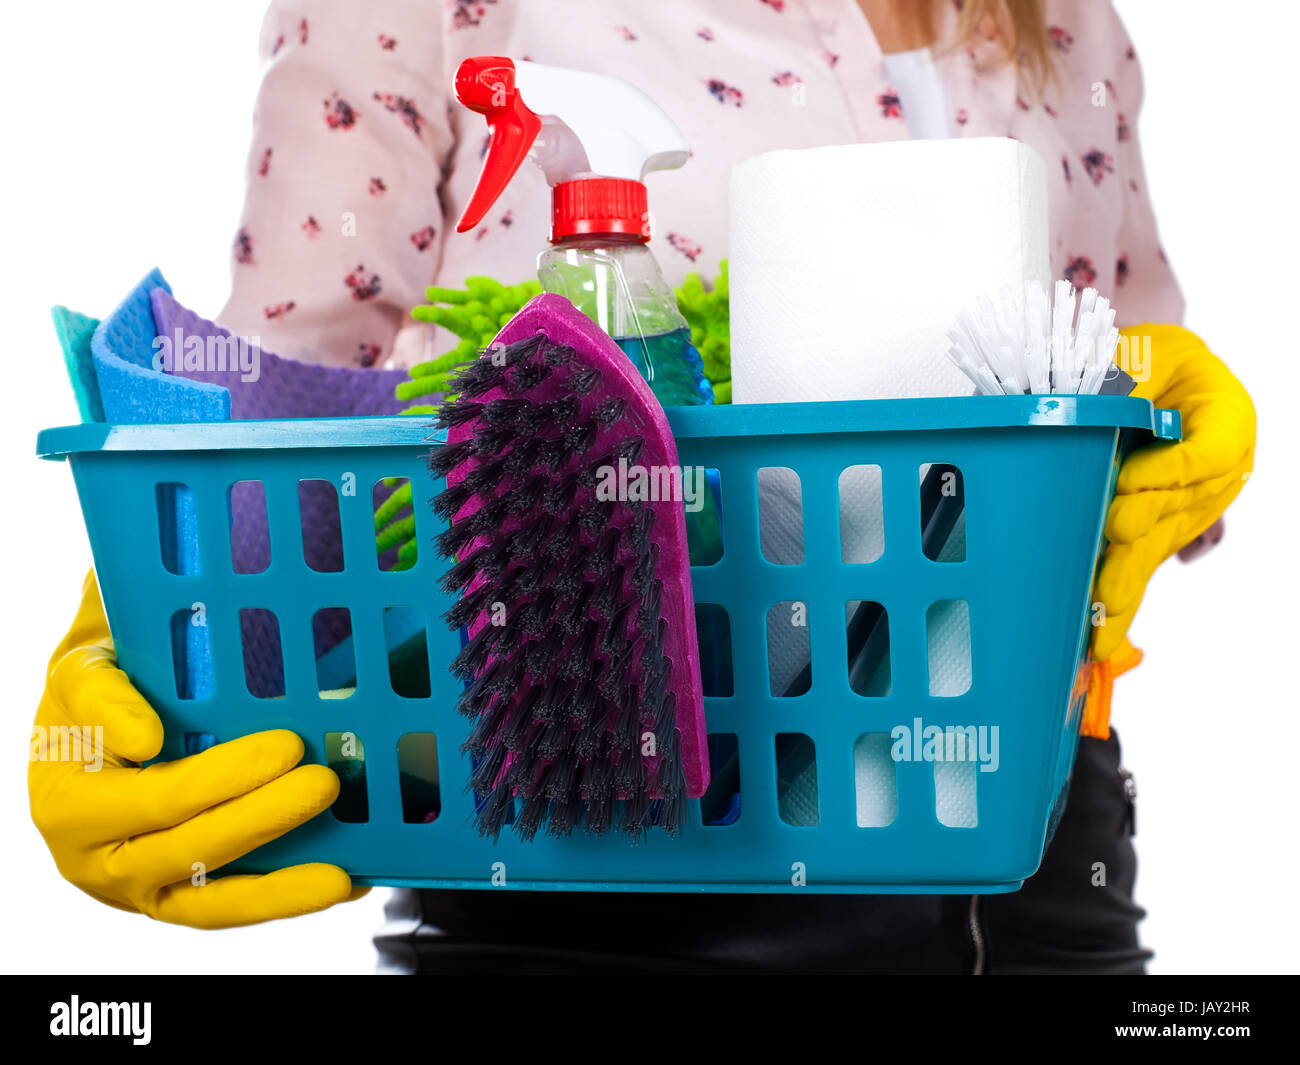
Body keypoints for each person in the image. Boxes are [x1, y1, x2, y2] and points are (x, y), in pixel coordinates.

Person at [31, 0, 1254, 972]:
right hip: (591, 871)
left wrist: (1170, 414)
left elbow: (1106, 379)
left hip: (1044, 855)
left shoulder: (1063, 19)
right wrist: (145, 650)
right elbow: (280, 422)